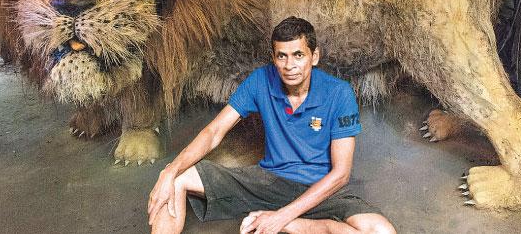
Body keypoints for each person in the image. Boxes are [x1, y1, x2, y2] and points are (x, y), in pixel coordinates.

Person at [147, 16, 397, 234]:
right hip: (268, 181)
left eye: (298, 55)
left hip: (321, 189)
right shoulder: (260, 80)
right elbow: (214, 132)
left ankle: (297, 225)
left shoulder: (339, 93)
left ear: (314, 56)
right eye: (282, 56)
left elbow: (340, 175)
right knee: (177, 179)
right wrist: (170, 170)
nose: (290, 66)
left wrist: (282, 218)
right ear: (273, 58)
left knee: (382, 231)